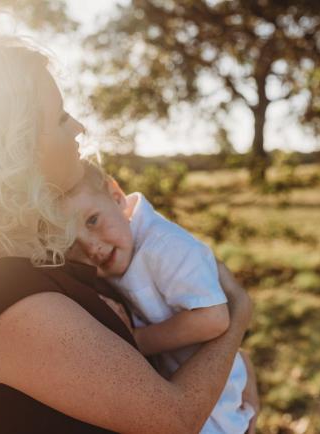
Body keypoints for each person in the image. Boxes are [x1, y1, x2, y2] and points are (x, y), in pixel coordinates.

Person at [0, 36, 256, 434]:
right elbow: (174, 421)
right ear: (16, 148)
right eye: (61, 118)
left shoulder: (30, 243)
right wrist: (237, 314)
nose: (79, 128)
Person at [61, 161, 258, 434]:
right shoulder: (117, 257)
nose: (91, 247)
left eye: (92, 220)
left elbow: (213, 317)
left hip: (215, 407)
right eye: (71, 243)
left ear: (117, 198)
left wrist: (139, 341)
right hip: (181, 392)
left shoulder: (165, 246)